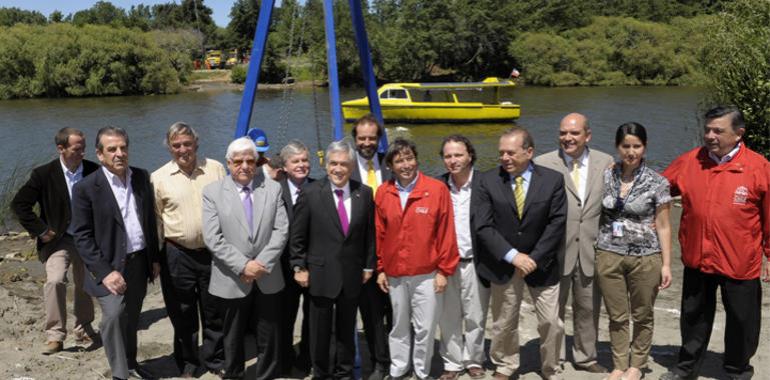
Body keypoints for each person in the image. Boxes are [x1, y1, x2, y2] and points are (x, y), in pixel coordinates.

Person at [660, 106, 770, 380]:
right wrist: (626, 173)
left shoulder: (759, 167)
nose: (709, 135)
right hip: (698, 256)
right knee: (693, 315)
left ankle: (737, 369)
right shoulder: (689, 161)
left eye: (718, 130)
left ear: (738, 134)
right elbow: (657, 188)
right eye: (707, 129)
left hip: (740, 260)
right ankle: (686, 368)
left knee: (743, 320)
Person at [474, 127, 566, 380]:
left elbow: (557, 223)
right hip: (503, 262)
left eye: (511, 153)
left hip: (542, 263)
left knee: (551, 322)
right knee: (504, 321)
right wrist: (513, 255)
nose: (504, 158)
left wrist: (533, 258)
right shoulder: (487, 180)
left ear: (529, 152)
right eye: (501, 152)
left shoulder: (553, 180)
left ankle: (550, 367)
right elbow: (483, 225)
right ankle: (505, 364)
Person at [70, 126, 161, 380]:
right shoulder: (86, 188)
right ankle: (120, 375)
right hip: (108, 265)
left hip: (139, 262)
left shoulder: (142, 177)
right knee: (113, 316)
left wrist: (154, 257)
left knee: (131, 318)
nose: (119, 153)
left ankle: (131, 365)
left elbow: (149, 221)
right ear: (100, 154)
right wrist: (105, 272)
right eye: (112, 149)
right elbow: (82, 236)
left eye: (123, 148)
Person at [202, 136, 288, 380]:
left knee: (268, 333)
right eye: (238, 161)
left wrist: (261, 265)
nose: (244, 166)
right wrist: (243, 265)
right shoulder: (212, 192)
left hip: (267, 274)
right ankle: (234, 375)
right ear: (228, 163)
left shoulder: (272, 188)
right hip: (231, 276)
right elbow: (212, 237)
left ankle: (267, 375)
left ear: (257, 162)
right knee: (232, 336)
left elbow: (281, 230)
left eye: (250, 160)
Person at [290, 140, 376, 379]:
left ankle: (344, 373)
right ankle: (321, 373)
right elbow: (297, 237)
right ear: (326, 165)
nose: (338, 169)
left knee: (347, 331)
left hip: (352, 274)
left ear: (351, 166)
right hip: (319, 274)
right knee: (319, 332)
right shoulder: (310, 193)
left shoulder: (364, 193)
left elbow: (370, 235)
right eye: (333, 164)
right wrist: (299, 266)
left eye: (344, 164)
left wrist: (369, 265)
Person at [533, 113, 612, 374]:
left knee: (588, 308)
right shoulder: (542, 163)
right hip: (554, 252)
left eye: (574, 133)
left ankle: (585, 357)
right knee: (551, 312)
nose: (568, 138)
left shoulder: (606, 162)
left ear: (587, 135)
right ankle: (551, 360)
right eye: (563, 133)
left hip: (591, 248)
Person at [375, 138, 459, 380]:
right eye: (399, 160)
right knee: (399, 325)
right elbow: (379, 234)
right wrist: (381, 268)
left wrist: (444, 270)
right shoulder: (383, 192)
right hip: (395, 274)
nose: (406, 165)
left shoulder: (436, 189)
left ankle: (421, 372)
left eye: (409, 158)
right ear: (390, 165)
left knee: (425, 327)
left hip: (427, 273)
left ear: (417, 159)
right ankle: (399, 369)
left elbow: (446, 232)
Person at [11, 127, 100, 355]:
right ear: (61, 149)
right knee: (55, 281)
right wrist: (41, 230)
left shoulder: (94, 171)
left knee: (85, 283)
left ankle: (84, 327)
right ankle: (55, 336)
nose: (83, 152)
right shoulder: (43, 174)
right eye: (77, 148)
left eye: (84, 148)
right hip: (57, 240)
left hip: (86, 237)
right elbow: (19, 205)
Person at [595, 123, 672, 380]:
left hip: (645, 256)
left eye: (636, 146)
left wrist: (666, 264)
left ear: (645, 147)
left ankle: (636, 365)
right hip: (608, 253)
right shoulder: (606, 175)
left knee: (642, 314)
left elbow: (663, 226)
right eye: (626, 146)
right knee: (616, 315)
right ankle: (618, 364)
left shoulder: (658, 182)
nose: (631, 152)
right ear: (617, 147)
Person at [150, 122, 226, 377]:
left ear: (196, 144)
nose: (182, 149)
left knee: (214, 308)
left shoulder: (215, 169)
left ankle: (215, 359)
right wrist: (156, 259)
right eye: (176, 145)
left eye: (187, 144)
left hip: (213, 252)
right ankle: (189, 362)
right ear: (170, 148)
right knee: (182, 311)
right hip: (176, 252)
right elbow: (156, 221)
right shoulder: (158, 178)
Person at [436, 135, 490, 380]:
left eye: (458, 155)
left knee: (476, 316)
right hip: (446, 264)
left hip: (475, 262)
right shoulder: (437, 187)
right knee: (448, 316)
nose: (453, 160)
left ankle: (474, 360)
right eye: (448, 156)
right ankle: (452, 362)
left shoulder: (486, 183)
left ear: (470, 155)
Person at [351, 114, 392, 380]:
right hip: (356, 253)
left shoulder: (391, 166)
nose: (367, 142)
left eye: (372, 138)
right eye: (362, 138)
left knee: (387, 314)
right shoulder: (344, 167)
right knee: (366, 313)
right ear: (354, 139)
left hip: (389, 252)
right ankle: (369, 363)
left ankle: (386, 362)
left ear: (379, 140)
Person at [277, 140, 314, 375]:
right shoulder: (273, 190)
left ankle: (307, 358)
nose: (301, 165)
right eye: (296, 161)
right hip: (282, 265)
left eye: (305, 160)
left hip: (313, 265)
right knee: (283, 316)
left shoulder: (320, 187)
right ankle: (284, 358)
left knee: (313, 316)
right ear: (285, 167)